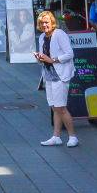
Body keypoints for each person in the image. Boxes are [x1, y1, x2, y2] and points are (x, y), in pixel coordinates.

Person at [35, 11, 79, 147]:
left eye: (47, 22)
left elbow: (70, 54)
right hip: (48, 74)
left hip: (61, 75)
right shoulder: (42, 37)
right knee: (54, 107)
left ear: (52, 22)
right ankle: (56, 136)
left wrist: (53, 59)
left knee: (61, 107)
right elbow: (44, 57)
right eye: (42, 23)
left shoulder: (59, 34)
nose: (44, 25)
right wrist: (39, 58)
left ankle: (73, 136)